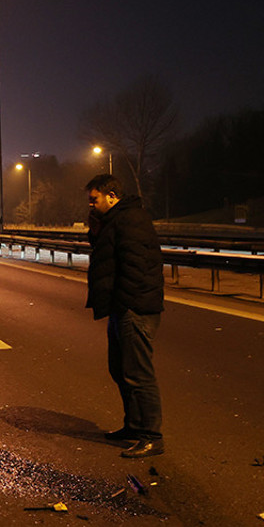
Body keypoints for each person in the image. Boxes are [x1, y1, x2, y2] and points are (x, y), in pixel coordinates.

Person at [84, 174, 166, 459]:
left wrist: (127, 304)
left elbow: (136, 267)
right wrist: (96, 232)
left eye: (95, 200)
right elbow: (110, 258)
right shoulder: (115, 220)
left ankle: (152, 436)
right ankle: (133, 427)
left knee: (138, 375)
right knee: (120, 369)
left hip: (135, 309)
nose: (91, 205)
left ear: (112, 196)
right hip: (123, 309)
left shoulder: (131, 219)